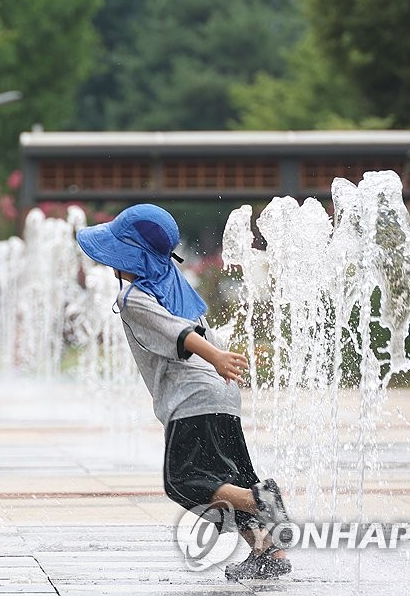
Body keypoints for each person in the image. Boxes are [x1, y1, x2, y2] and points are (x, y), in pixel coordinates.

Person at [75, 204, 293, 581]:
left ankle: (262, 500)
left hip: (192, 399)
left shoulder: (133, 297)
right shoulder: (173, 282)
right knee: (229, 478)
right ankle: (266, 549)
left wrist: (216, 358)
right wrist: (219, 363)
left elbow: (181, 335)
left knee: (184, 479)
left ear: (125, 256)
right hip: (219, 394)